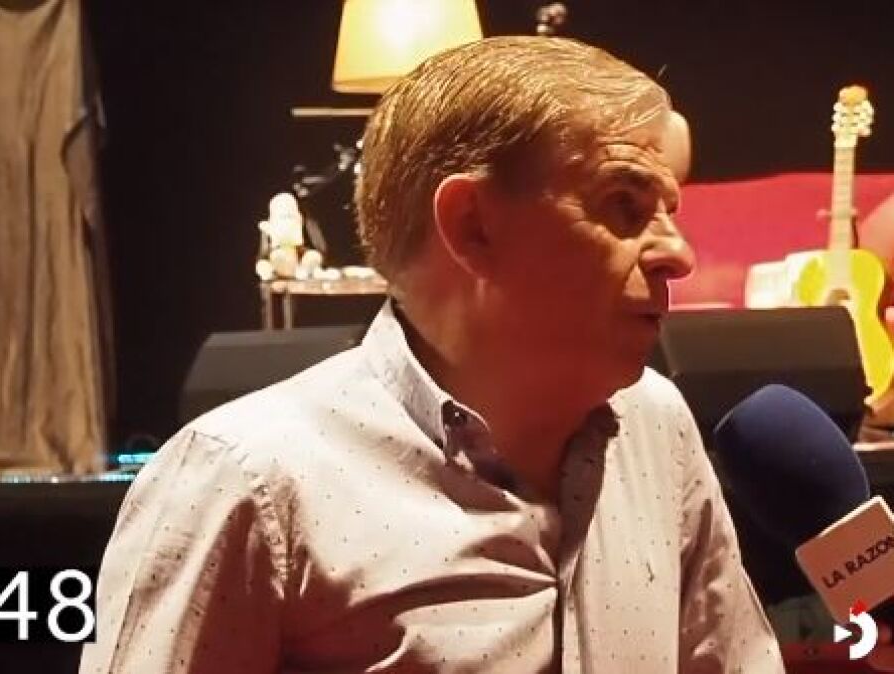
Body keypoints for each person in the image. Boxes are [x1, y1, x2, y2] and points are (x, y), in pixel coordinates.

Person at [80, 36, 783, 673]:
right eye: (624, 206)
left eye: (669, 212)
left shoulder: (657, 427)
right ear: (472, 226)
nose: (679, 254)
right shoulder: (245, 482)